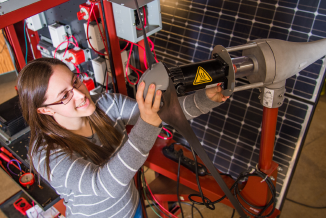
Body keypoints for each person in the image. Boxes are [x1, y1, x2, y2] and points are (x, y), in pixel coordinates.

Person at [17, 58, 229, 218]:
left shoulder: (106, 104)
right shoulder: (46, 155)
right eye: (64, 96)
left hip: (132, 207)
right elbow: (105, 185)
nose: (81, 95)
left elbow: (162, 112)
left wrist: (204, 99)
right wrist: (147, 124)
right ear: (45, 111)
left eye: (75, 81)